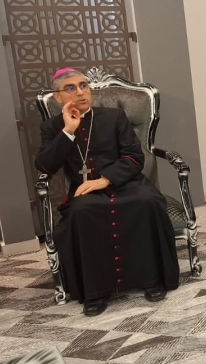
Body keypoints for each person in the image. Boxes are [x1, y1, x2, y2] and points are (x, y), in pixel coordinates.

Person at [35, 68, 180, 316]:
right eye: (71, 88)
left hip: (127, 183)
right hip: (85, 190)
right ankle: (95, 291)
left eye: (83, 85)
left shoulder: (114, 117)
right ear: (58, 97)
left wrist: (105, 180)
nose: (80, 92)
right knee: (81, 212)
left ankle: (152, 278)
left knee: (146, 201)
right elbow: (45, 166)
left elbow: (134, 156)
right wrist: (68, 131)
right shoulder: (52, 127)